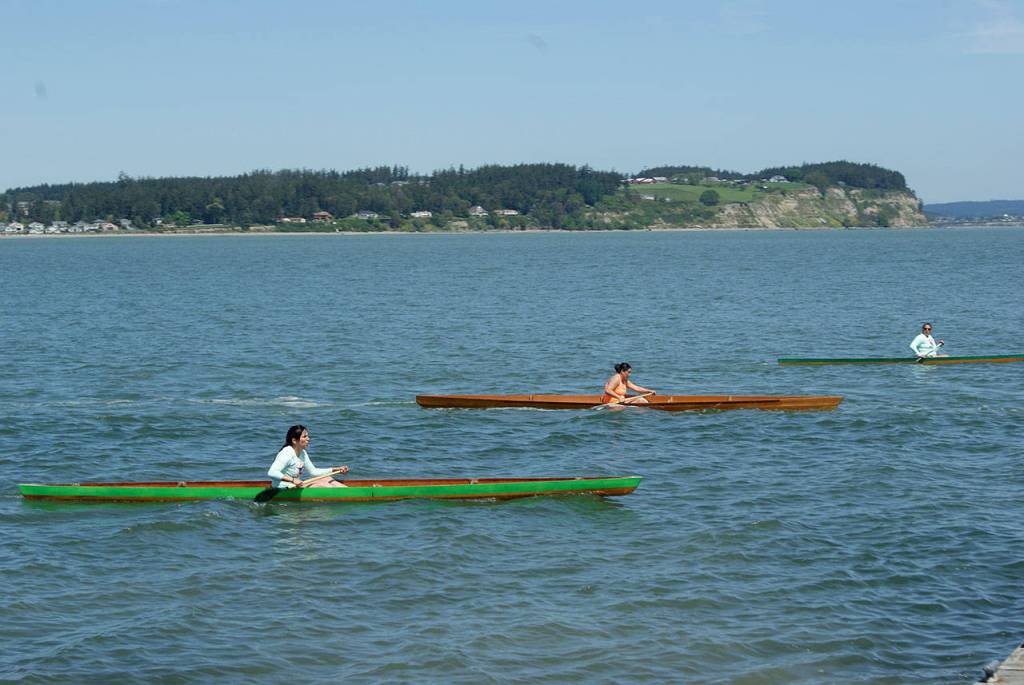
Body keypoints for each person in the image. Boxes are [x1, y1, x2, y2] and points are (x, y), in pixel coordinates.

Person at [268, 425, 348, 489]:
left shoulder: (303, 453)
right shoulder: (286, 453)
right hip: (284, 488)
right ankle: (346, 496)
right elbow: (272, 472)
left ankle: (349, 491)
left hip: (296, 485)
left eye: (308, 436)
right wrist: (292, 480)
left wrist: (335, 469)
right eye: (304, 437)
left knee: (327, 479)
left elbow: (313, 472)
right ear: (294, 440)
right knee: (320, 486)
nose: (308, 439)